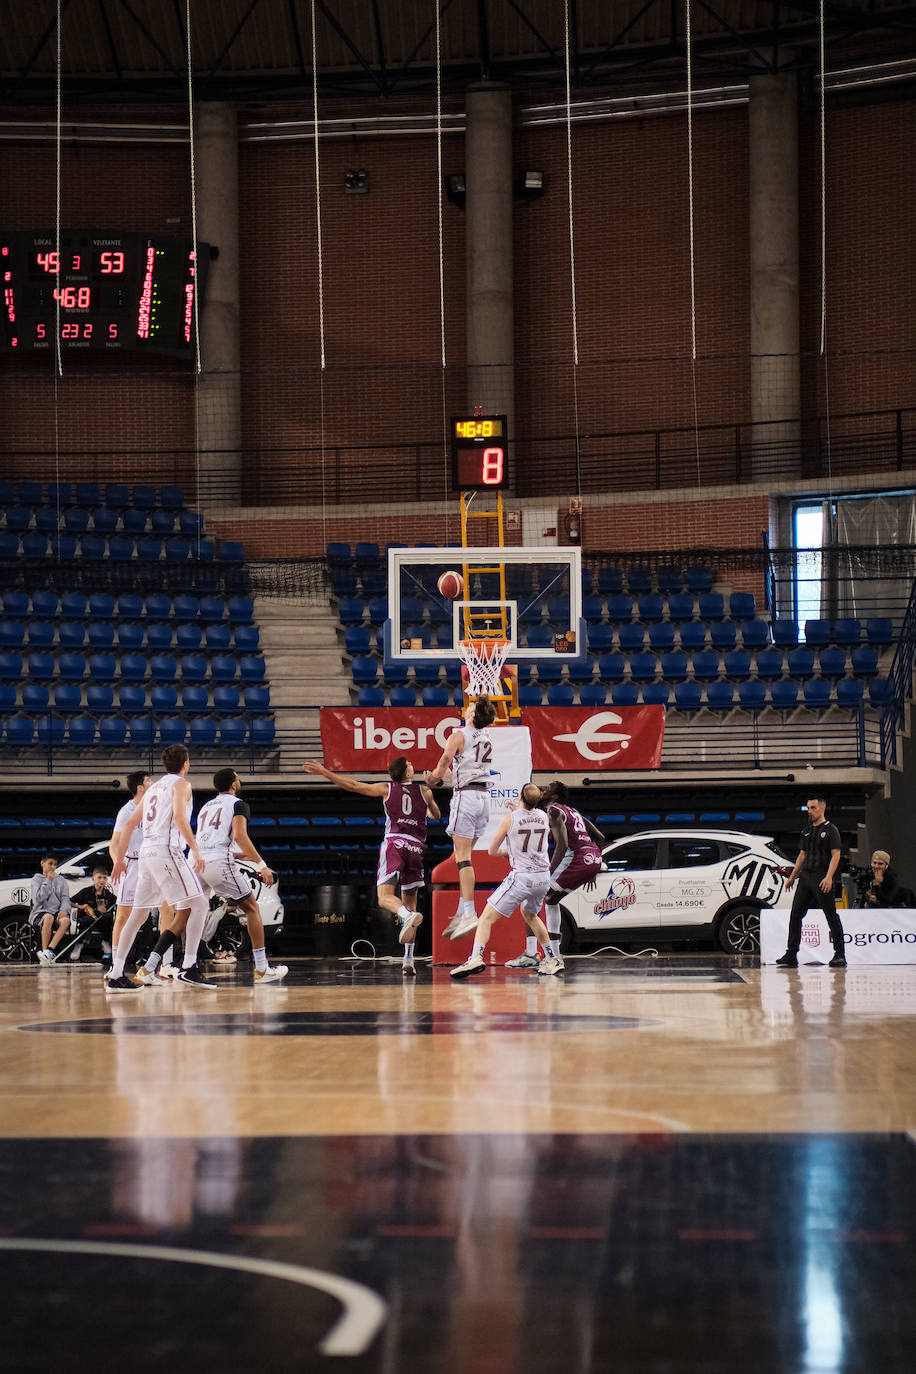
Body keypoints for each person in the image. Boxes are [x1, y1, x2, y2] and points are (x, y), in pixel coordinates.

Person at [143, 766, 286, 985]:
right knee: (251, 908)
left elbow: (208, 840)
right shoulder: (239, 804)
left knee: (183, 915)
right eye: (238, 778)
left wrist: (239, 855)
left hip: (195, 861)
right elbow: (240, 835)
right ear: (233, 784)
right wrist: (262, 864)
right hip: (218, 863)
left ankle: (151, 967)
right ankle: (262, 969)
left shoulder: (206, 806)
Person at [303, 755, 440, 974]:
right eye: (411, 765)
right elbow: (436, 815)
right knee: (411, 903)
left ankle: (404, 916)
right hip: (416, 848)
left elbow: (354, 786)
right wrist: (428, 805)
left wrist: (325, 772)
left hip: (395, 843)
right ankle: (408, 960)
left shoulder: (387, 789)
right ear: (407, 773)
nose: (413, 765)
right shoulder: (425, 792)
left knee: (385, 898)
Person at [109, 743, 209, 992]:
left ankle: (117, 974)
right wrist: (195, 849)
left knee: (138, 915)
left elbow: (131, 823)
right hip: (166, 850)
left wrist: (120, 860)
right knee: (200, 904)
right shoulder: (181, 785)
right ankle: (189, 967)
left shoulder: (152, 790)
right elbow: (179, 817)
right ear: (186, 763)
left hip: (145, 855)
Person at [451, 782, 562, 980]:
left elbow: (492, 850)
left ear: (520, 796)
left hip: (523, 877)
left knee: (486, 917)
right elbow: (528, 820)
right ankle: (552, 958)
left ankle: (476, 957)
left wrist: (507, 853)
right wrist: (518, 812)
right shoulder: (544, 816)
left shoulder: (510, 819)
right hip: (543, 877)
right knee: (530, 914)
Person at [506, 781, 605, 973]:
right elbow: (599, 837)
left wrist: (548, 872)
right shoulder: (573, 811)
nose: (543, 789)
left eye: (548, 788)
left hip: (576, 858)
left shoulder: (553, 811)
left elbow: (562, 844)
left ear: (555, 796)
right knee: (550, 900)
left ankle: (539, 955)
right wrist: (595, 866)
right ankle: (552, 955)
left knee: (532, 900)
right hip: (590, 857)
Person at [425, 695, 498, 942]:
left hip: (466, 797)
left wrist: (434, 777)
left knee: (463, 858)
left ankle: (469, 912)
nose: (466, 709)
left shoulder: (459, 734)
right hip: (484, 800)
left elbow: (446, 760)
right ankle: (461, 910)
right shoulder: (487, 737)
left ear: (472, 715)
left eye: (470, 707)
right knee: (462, 857)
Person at [776, 797, 846, 968]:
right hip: (806, 878)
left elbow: (836, 854)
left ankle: (840, 955)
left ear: (822, 808)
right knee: (795, 915)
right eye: (807, 808)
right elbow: (802, 855)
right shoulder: (806, 831)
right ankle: (791, 954)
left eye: (813, 807)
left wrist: (829, 877)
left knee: (831, 916)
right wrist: (792, 877)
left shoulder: (831, 830)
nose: (809, 811)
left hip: (822, 877)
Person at [29, 854, 73, 964]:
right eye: (50, 864)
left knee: (66, 921)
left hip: (56, 912)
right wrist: (48, 880)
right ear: (42, 863)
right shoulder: (36, 879)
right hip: (40, 912)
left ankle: (49, 951)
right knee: (48, 917)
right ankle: (44, 952)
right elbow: (38, 899)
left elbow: (65, 898)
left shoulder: (61, 880)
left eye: (55, 864)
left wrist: (63, 911)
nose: (52, 867)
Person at [70, 866, 117, 963]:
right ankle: (79, 944)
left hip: (102, 922)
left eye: (104, 878)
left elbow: (118, 904)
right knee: (86, 919)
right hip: (88, 919)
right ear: (93, 878)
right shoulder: (85, 891)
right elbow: (70, 901)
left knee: (108, 916)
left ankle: (105, 942)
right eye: (99, 877)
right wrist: (80, 907)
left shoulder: (108, 894)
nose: (102, 880)